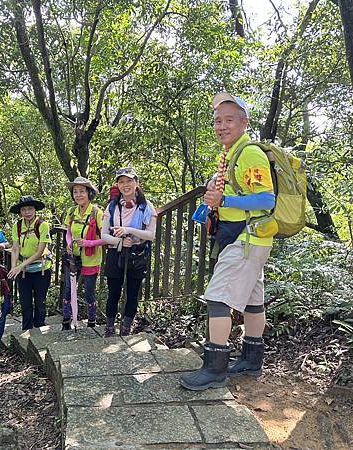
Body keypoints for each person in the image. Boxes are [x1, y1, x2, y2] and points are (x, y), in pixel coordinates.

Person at [180, 93, 276, 391]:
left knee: (218, 298)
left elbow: (266, 198)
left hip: (246, 236)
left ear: (244, 122)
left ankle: (215, 368)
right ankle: (251, 358)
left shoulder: (249, 152)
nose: (221, 126)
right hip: (249, 237)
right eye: (217, 121)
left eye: (229, 120)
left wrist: (225, 199)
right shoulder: (231, 153)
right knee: (252, 299)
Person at [101, 166, 157, 337]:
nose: (126, 185)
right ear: (117, 185)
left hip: (137, 254)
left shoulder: (147, 207)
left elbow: (151, 235)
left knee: (133, 293)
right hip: (115, 253)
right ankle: (110, 328)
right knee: (113, 292)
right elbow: (104, 235)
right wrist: (119, 241)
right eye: (122, 181)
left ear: (137, 183)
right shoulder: (112, 206)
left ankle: (126, 328)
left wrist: (129, 230)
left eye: (129, 181)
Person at [61, 177, 104, 330]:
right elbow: (68, 232)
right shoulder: (71, 211)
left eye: (82, 191)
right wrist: (69, 243)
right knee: (68, 290)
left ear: (89, 193)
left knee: (89, 292)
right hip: (73, 257)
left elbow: (105, 238)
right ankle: (66, 321)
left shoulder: (97, 213)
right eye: (75, 192)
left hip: (91, 258)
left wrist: (87, 243)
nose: (78, 195)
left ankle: (91, 322)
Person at [8, 196, 52, 330]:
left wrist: (20, 266)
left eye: (30, 209)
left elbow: (40, 251)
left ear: (35, 210)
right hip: (23, 271)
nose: (27, 212)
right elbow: (15, 248)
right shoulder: (17, 226)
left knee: (40, 301)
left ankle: (39, 327)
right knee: (25, 302)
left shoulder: (42, 225)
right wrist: (14, 267)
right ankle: (26, 329)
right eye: (24, 209)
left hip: (41, 269)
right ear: (20, 211)